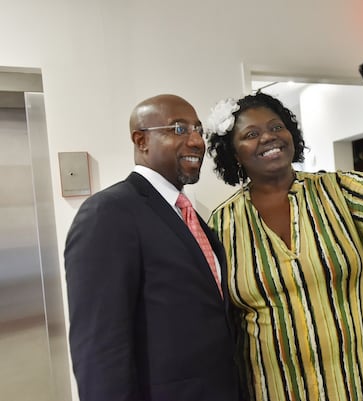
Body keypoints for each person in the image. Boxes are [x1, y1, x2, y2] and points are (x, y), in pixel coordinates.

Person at [205, 92, 363, 401]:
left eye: (277, 127)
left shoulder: (338, 190)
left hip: (362, 388)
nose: (268, 137)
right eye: (251, 134)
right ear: (234, 154)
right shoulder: (221, 224)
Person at [64, 94, 241, 401]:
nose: (197, 140)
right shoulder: (109, 213)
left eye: (198, 129)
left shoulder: (192, 217)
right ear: (141, 140)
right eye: (179, 129)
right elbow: (99, 348)